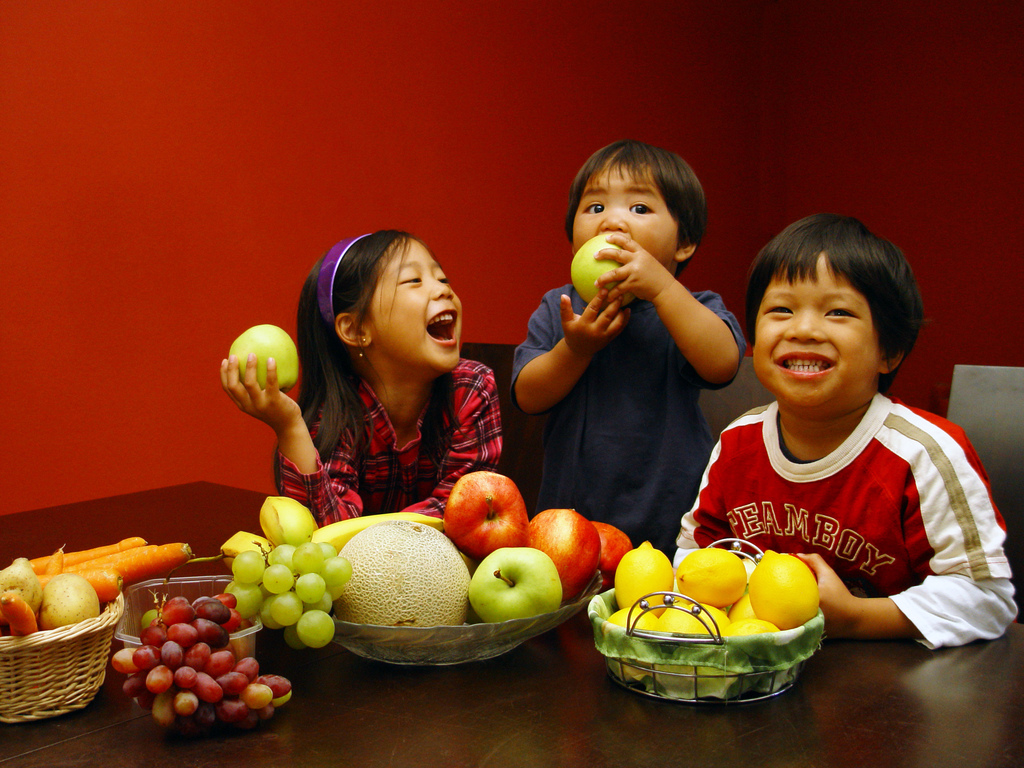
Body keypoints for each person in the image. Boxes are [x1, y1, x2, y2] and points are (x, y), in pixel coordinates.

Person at [676, 213, 1016, 647]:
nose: (803, 329)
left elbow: (988, 597)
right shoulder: (737, 441)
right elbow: (692, 559)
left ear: (888, 352)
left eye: (838, 312)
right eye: (781, 309)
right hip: (765, 683)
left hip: (894, 691)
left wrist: (856, 618)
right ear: (755, 343)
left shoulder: (923, 454)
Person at [512, 140, 745, 553]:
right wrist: (576, 348)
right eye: (595, 208)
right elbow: (528, 396)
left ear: (683, 243)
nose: (612, 222)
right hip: (572, 518)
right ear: (573, 237)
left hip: (672, 514)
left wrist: (660, 287)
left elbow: (723, 364)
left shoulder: (691, 308)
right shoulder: (560, 307)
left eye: (639, 208)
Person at [220, 230, 502, 525]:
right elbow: (319, 534)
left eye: (442, 279)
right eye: (414, 281)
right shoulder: (335, 417)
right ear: (356, 330)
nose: (444, 290)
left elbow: (463, 511)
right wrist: (290, 426)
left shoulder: (472, 389)